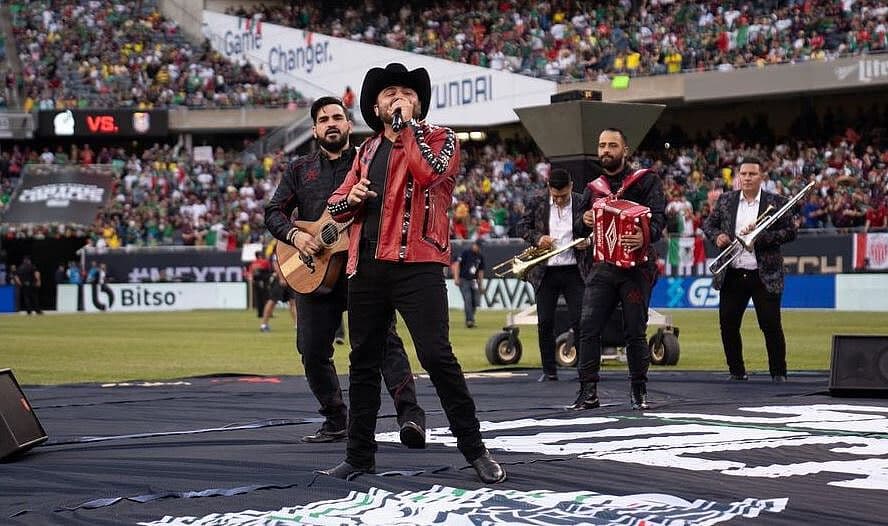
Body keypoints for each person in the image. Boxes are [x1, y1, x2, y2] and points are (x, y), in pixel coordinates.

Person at [323, 63, 506, 483]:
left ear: (418, 105)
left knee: (437, 357)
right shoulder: (365, 151)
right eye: (389, 93)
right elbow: (334, 207)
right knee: (363, 362)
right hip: (366, 266)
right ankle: (358, 457)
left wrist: (406, 129)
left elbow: (429, 173)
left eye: (407, 93)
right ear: (374, 107)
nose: (399, 97)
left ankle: (475, 450)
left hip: (419, 265)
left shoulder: (442, 139)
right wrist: (351, 197)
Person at [265, 95, 426, 445]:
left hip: (363, 268)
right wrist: (296, 236)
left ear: (349, 124)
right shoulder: (299, 169)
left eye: (337, 117)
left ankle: (411, 418)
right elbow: (273, 212)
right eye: (323, 120)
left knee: (384, 344)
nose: (331, 124)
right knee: (311, 351)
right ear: (314, 130)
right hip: (313, 271)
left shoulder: (371, 158)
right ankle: (337, 418)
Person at [573, 128, 666, 411]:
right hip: (602, 266)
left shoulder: (646, 181)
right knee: (587, 329)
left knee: (635, 330)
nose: (606, 150)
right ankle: (588, 392)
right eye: (602, 145)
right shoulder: (593, 188)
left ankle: (639, 391)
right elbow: (576, 227)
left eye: (612, 145)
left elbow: (659, 220)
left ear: (625, 150)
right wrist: (584, 220)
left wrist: (643, 236)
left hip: (637, 267)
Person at [703, 157, 798, 383]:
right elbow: (709, 225)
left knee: (770, 325)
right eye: (743, 174)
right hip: (733, 272)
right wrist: (718, 236)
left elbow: (790, 232)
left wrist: (761, 238)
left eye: (752, 174)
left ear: (761, 176)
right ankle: (736, 372)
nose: (747, 178)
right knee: (728, 324)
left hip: (764, 274)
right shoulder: (726, 200)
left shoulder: (776, 201)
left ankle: (778, 373)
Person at [519, 168, 588, 382]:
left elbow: (597, 229)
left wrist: (589, 241)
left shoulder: (581, 202)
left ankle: (585, 370)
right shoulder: (537, 201)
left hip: (574, 271)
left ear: (571, 187)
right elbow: (522, 227)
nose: (559, 200)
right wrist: (538, 238)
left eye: (563, 196)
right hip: (545, 272)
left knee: (581, 321)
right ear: (549, 188)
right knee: (545, 322)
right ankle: (549, 371)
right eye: (555, 196)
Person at [451, 239, 485, 328]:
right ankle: (469, 320)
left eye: (480, 247)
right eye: (478, 246)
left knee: (475, 301)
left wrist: (481, 284)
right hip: (464, 280)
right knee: (468, 299)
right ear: (474, 245)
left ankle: (471, 318)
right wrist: (456, 278)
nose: (478, 248)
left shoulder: (480, 256)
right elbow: (457, 265)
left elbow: (480, 271)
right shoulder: (466, 252)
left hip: (474, 281)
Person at [260, 255, 297, 333]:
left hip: (290, 279)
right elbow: (276, 264)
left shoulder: (291, 250)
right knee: (272, 301)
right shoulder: (278, 251)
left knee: (293, 302)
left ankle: (297, 325)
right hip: (280, 280)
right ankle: (264, 324)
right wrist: (281, 278)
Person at [245, 251, 272, 319]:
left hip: (256, 282)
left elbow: (250, 273)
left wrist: (252, 279)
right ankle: (267, 313)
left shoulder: (253, 263)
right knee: (266, 298)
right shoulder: (264, 262)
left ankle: (260, 313)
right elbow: (268, 271)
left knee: (258, 298)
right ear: (260, 255)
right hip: (263, 282)